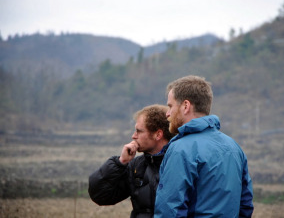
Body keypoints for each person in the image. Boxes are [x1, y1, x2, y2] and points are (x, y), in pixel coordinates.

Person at [154, 75, 254, 218]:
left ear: (186, 106)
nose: (167, 114)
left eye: (170, 106)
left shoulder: (181, 149)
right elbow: (245, 204)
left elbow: (170, 209)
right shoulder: (234, 147)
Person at [88, 104, 175, 218]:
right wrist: (120, 162)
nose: (133, 136)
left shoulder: (179, 163)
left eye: (139, 131)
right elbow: (100, 195)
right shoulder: (136, 166)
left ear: (158, 134)